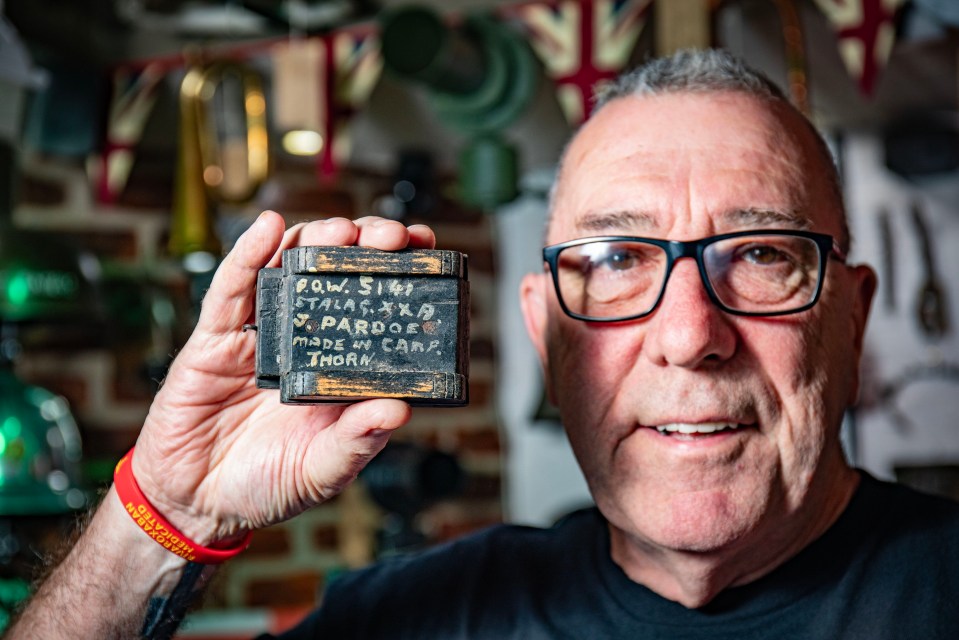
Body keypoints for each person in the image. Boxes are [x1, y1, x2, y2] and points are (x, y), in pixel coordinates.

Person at [10, 49, 959, 640]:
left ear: (853, 310)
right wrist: (166, 512)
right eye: (615, 258)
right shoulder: (416, 616)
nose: (688, 335)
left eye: (759, 255)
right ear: (544, 330)